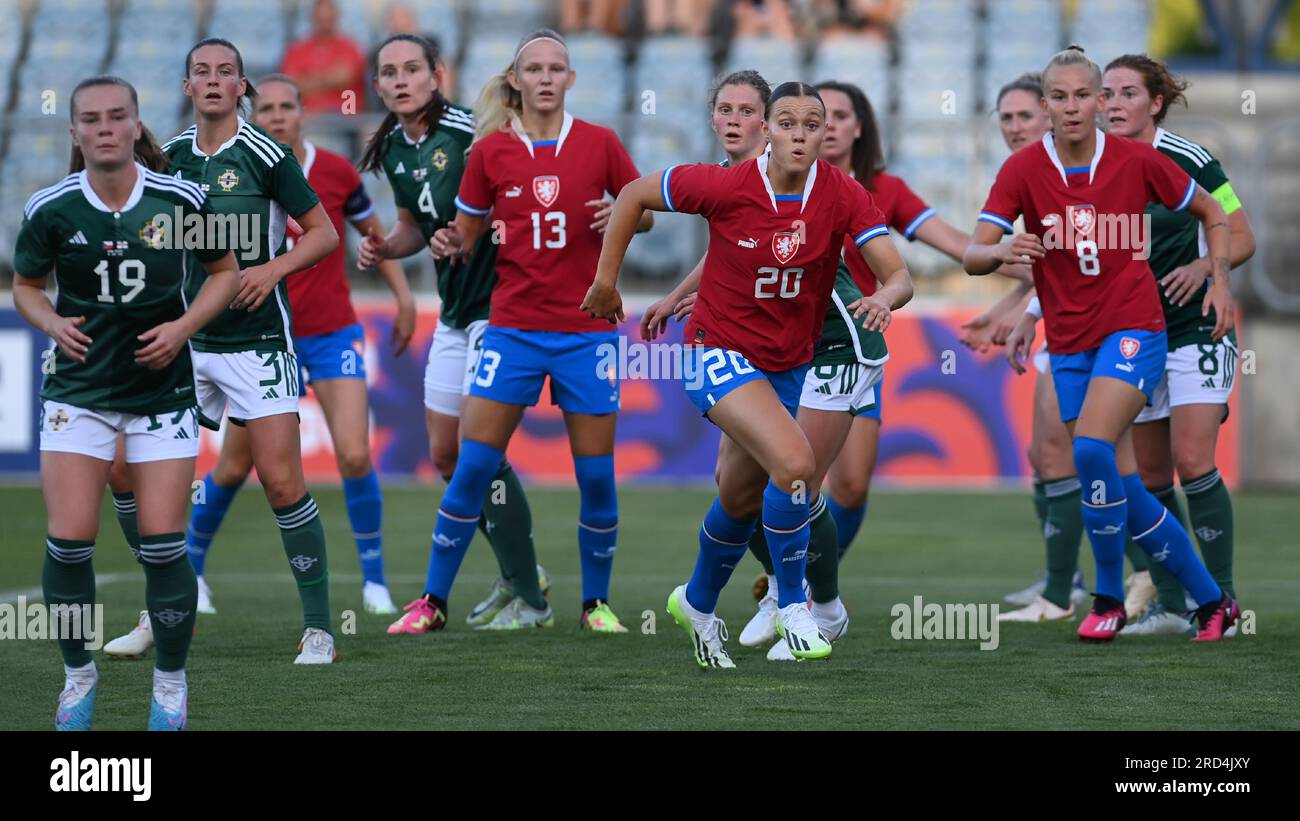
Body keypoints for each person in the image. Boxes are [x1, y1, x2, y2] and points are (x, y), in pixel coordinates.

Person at [586, 81, 913, 667]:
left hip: (790, 362)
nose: (798, 134)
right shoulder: (725, 183)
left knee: (739, 497)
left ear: (824, 135)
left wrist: (887, 297)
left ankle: (698, 603)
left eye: (811, 125)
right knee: (794, 465)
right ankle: (795, 607)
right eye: (786, 122)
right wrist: (606, 281)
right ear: (769, 131)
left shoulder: (842, 194)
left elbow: (899, 274)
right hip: (717, 350)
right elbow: (633, 195)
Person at [102, 73, 414, 667]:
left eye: (227, 73)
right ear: (187, 83)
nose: (214, 82)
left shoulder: (267, 155)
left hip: (260, 340)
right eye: (203, 72)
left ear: (238, 85)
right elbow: (152, 235)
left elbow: (323, 234)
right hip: (188, 337)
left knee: (282, 482)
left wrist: (273, 270)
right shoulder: (171, 158)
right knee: (123, 468)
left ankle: (321, 629)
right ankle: (162, 607)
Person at [964, 45, 1238, 642]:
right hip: (1070, 340)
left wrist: (1217, 276)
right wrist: (1000, 250)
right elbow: (973, 252)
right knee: (1124, 481)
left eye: (1084, 95)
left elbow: (1214, 212)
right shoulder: (1022, 171)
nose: (1073, 107)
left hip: (1135, 328)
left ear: (1098, 101)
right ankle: (1213, 600)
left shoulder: (1138, 161)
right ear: (1046, 105)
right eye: (1058, 97)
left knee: (1089, 450)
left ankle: (1108, 597)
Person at [385, 29, 652, 635]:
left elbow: (647, 211)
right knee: (471, 466)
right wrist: (450, 239)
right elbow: (466, 235)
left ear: (571, 80)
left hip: (586, 334)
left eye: (557, 68)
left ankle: (595, 606)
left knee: (595, 476)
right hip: (511, 332)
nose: (546, 78)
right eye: (535, 69)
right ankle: (432, 602)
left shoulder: (601, 143)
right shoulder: (490, 153)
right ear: (516, 80)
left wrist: (625, 215)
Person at [13, 76, 239, 729]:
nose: (105, 128)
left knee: (164, 545)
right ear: (76, 131)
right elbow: (28, 286)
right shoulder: (51, 207)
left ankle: (170, 685)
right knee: (68, 543)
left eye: (118, 117)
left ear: (138, 125)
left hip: (160, 394)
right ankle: (77, 678)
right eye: (91, 119)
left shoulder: (181, 198)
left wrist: (183, 327)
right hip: (78, 391)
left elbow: (224, 273)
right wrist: (50, 323)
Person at [357, 33, 549, 630]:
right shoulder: (392, 145)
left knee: (478, 450)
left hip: (503, 306)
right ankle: (523, 574)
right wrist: (391, 244)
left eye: (413, 68)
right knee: (446, 455)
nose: (401, 80)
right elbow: (417, 223)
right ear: (378, 86)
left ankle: (529, 594)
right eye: (390, 72)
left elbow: (518, 197)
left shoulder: (474, 131)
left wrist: (470, 230)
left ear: (436, 75)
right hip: (455, 312)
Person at [1101, 54, 1255, 636]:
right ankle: (1171, 604)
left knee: (1193, 461)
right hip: (1135, 334)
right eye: (1105, 94)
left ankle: (1226, 602)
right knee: (1149, 474)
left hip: (1196, 327)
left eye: (1126, 94)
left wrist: (1204, 267)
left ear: (1155, 103)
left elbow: (1241, 234)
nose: (1112, 104)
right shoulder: (1093, 166)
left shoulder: (1188, 158)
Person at [961, 72, 1091, 624]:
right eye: (1006, 118)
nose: (1015, 128)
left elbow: (1080, 262)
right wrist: (1004, 313)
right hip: (1059, 322)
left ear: (1050, 113)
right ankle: (1072, 581)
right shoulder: (1026, 171)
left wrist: (1018, 308)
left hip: (1097, 330)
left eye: (1024, 116)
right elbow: (1042, 267)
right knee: (1053, 457)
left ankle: (1093, 588)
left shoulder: (1073, 169)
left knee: (1095, 461)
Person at [280, 0, 368, 115]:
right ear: (312, 17)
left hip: (346, 119)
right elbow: (289, 86)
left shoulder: (350, 48)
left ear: (336, 16)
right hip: (305, 119)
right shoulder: (297, 50)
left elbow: (344, 78)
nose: (324, 22)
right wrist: (330, 77)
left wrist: (307, 78)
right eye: (320, 18)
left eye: (328, 17)